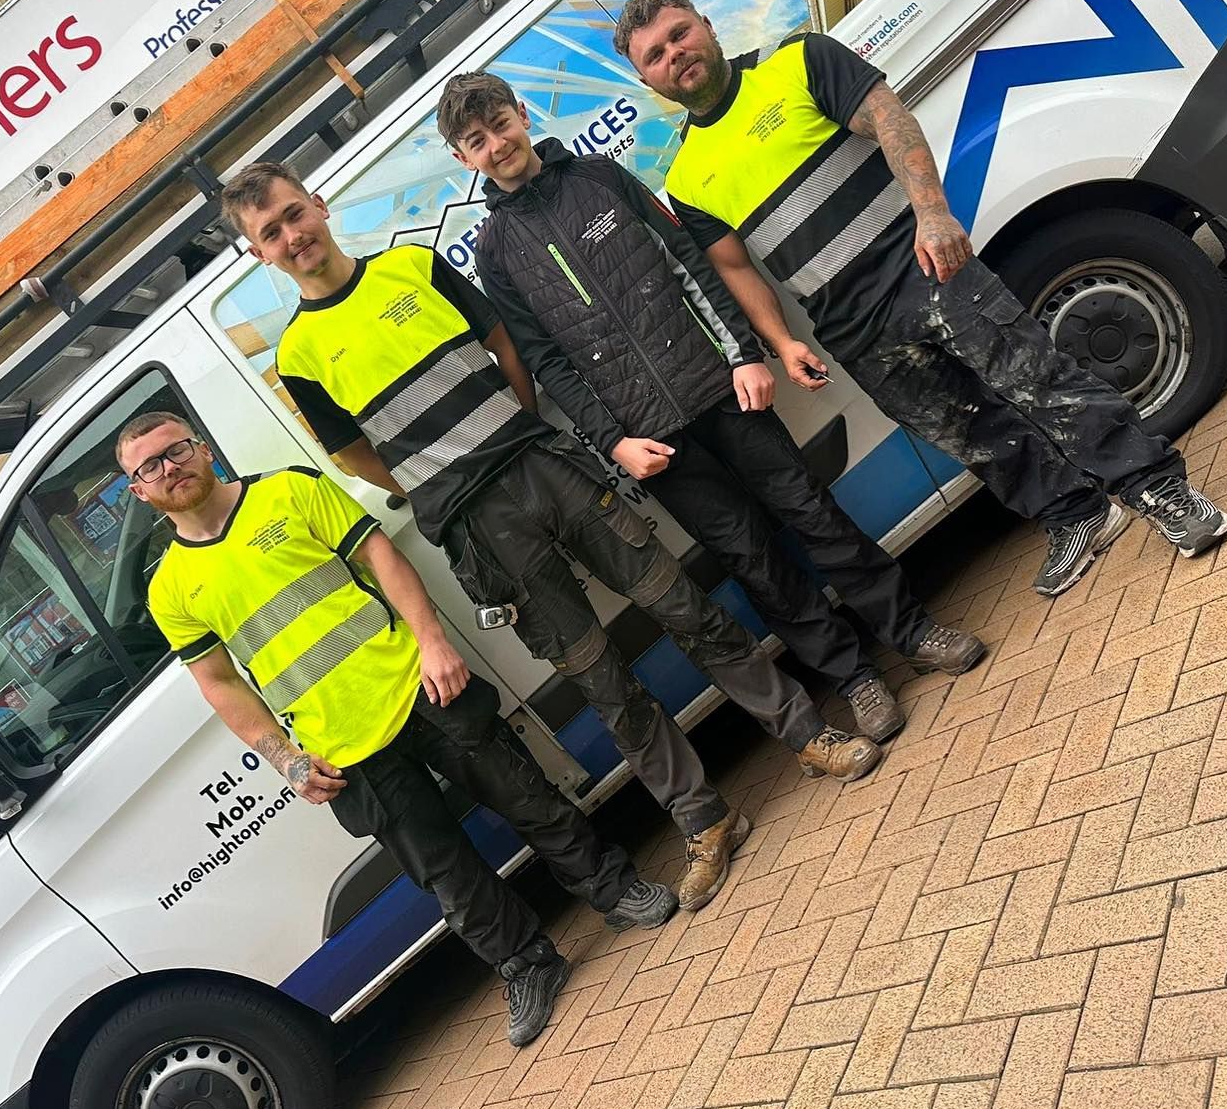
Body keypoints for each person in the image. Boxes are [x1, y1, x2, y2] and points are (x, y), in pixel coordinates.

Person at [219, 161, 882, 915]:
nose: (292, 235)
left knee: (684, 607)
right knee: (601, 679)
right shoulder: (297, 358)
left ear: (319, 203)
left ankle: (805, 733)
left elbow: (507, 346)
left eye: (293, 213)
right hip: (474, 526)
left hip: (544, 466)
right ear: (259, 255)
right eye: (270, 232)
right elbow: (353, 453)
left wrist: (512, 429)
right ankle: (706, 820)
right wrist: (438, 484)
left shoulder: (414, 266)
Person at [615, 0, 1227, 598]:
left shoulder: (797, 62)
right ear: (650, 82)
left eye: (680, 33)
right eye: (656, 55)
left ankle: (1158, 488)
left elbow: (889, 117)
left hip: (923, 265)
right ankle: (1076, 514)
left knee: (1040, 380)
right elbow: (738, 270)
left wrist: (934, 215)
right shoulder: (686, 179)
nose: (675, 54)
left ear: (707, 24)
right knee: (968, 431)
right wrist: (780, 340)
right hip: (851, 326)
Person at [435, 70, 986, 745]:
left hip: (722, 387)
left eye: (499, 124)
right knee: (754, 560)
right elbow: (549, 361)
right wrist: (614, 443)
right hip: (655, 441)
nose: (495, 144)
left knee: (812, 513)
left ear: (522, 114)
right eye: (476, 140)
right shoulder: (493, 253)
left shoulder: (601, 179)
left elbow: (689, 263)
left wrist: (745, 355)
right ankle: (855, 680)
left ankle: (912, 630)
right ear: (462, 159)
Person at [123, 409, 678, 1047]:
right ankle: (527, 965)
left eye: (178, 450)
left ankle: (613, 890)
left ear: (203, 449)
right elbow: (218, 682)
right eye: (151, 467)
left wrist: (432, 641)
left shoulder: (288, 490)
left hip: (418, 686)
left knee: (530, 800)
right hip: (340, 746)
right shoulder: (170, 589)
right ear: (139, 492)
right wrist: (287, 761)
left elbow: (380, 554)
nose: (171, 468)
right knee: (445, 873)